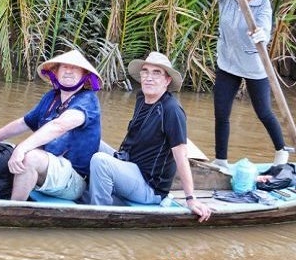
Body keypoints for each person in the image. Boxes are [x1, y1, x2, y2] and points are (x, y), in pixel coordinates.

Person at [88, 52, 212, 222]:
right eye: (145, 71)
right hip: (130, 165)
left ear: (167, 81)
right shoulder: (142, 98)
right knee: (91, 140)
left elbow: (181, 155)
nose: (149, 77)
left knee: (100, 161)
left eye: (156, 73)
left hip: (149, 187)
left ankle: (97, 217)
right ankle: (79, 187)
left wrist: (190, 199)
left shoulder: (172, 110)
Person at [205, 0, 287, 170]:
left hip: (254, 66)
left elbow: (264, 28)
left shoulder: (263, 5)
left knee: (264, 112)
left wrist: (261, 34)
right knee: (221, 113)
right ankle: (220, 160)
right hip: (228, 64)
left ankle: (281, 151)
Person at [0, 50, 102, 201]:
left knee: (30, 157)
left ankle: (14, 210)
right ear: (56, 71)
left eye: (74, 68)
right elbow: (23, 123)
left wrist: (22, 148)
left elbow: (59, 125)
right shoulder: (51, 97)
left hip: (73, 180)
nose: (68, 71)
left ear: (84, 75)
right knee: (4, 148)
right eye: (64, 67)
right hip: (49, 169)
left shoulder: (88, 100)